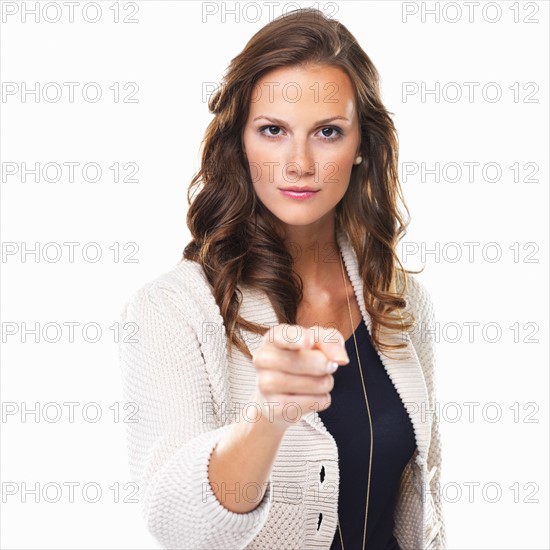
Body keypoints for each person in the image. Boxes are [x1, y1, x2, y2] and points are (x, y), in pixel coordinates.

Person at [118, 7, 446, 549]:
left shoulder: (402, 300)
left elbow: (425, 500)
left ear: (361, 144)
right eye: (273, 130)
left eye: (327, 132)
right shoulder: (172, 309)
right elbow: (175, 524)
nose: (298, 163)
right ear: (240, 142)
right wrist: (268, 417)